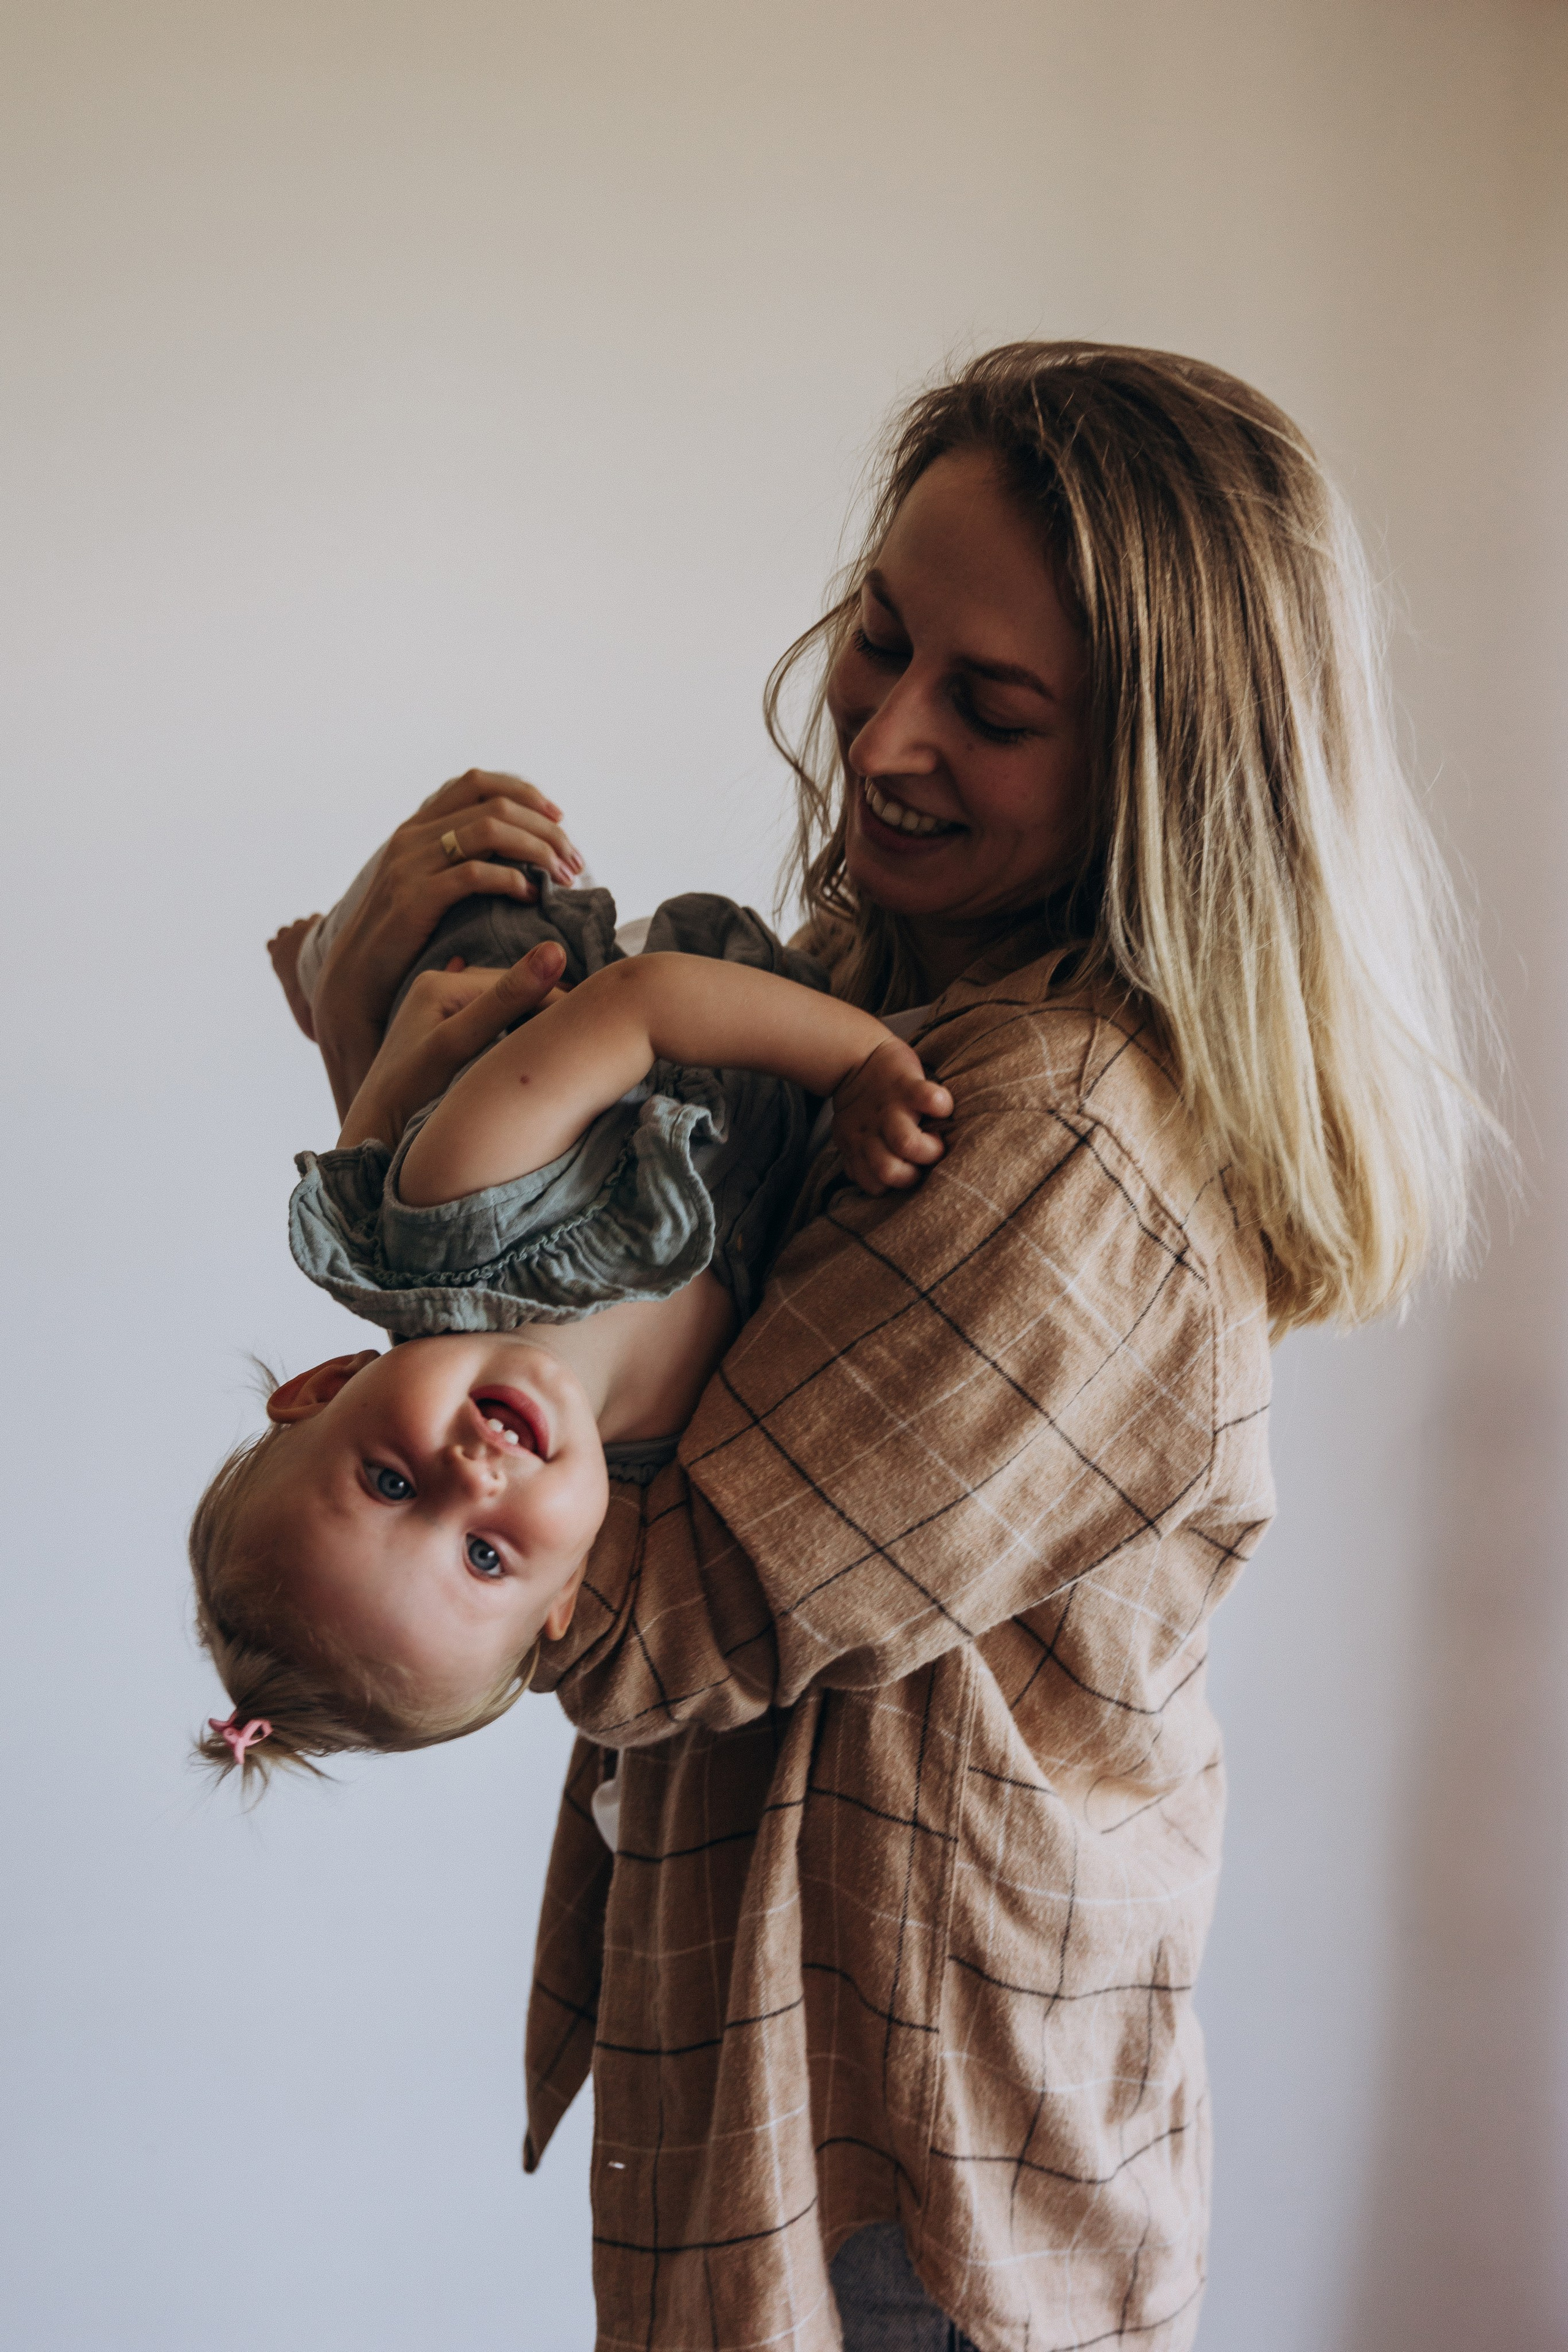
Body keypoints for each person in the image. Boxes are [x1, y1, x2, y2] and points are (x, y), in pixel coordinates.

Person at [236, 343, 1491, 2352]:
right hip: (812, 2068)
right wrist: (406, 1033)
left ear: (1172, 770)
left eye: (989, 707)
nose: (889, 736)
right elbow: (568, 1360)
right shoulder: (891, 997)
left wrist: (404, 1160)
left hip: (915, 2160)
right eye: (883, 643)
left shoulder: (1064, 1135)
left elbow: (636, 1599)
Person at [193, 886, 953, 1774]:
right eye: (482, 1556)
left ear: (324, 1385)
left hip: (579, 991)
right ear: (565, 1596)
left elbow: (645, 1003)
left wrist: (861, 1064)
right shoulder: (665, 1455)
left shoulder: (467, 1201)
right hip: (762, 1106)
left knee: (479, 923)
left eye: (391, 1484)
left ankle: (330, 956)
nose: (472, 1478)